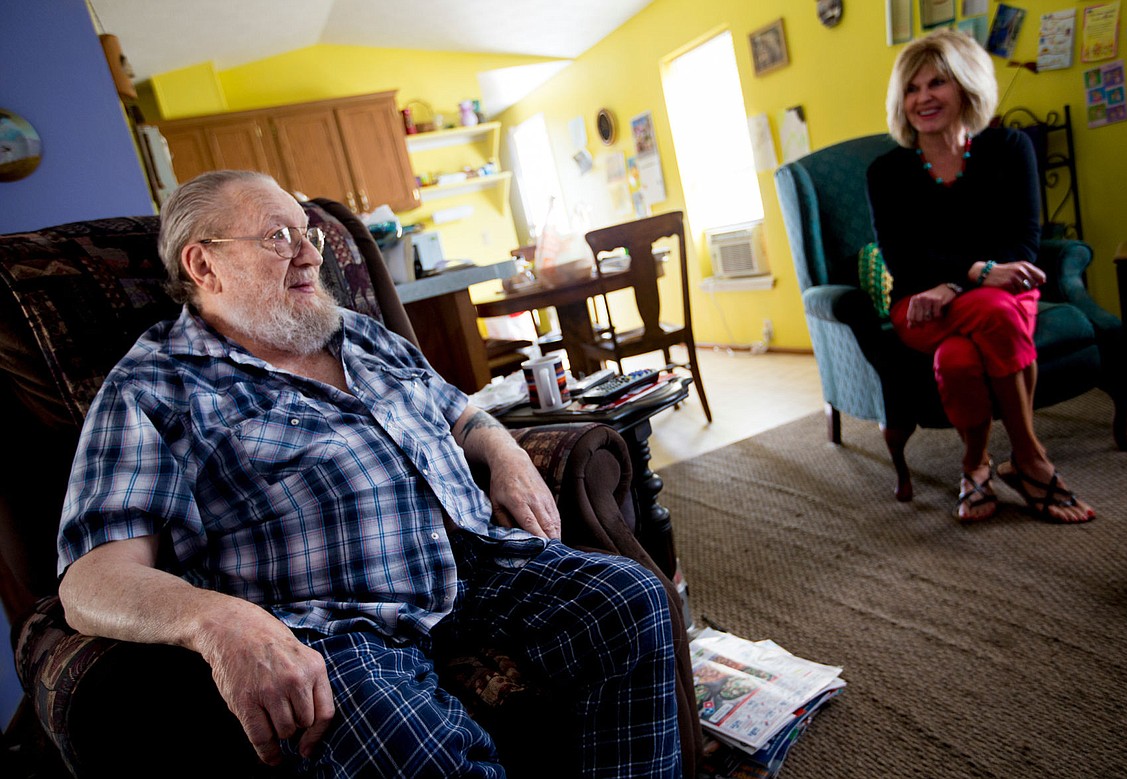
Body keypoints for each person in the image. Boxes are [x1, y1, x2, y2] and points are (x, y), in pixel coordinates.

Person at [55, 169, 682, 778]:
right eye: (279, 237)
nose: (308, 255)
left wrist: (505, 454)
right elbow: (93, 578)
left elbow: (461, 412)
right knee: (409, 748)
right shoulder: (153, 386)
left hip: (477, 558)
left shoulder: (358, 335)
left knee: (630, 600)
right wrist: (218, 623)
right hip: (333, 617)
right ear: (203, 264)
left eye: (310, 235)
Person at [866, 29, 1095, 524]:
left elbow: (1025, 243)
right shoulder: (887, 172)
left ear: (966, 87)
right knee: (989, 310)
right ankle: (1031, 460)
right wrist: (976, 271)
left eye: (937, 83)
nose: (923, 97)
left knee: (961, 355)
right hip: (920, 305)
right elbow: (904, 258)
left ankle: (976, 466)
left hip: (1000, 293)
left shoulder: (1009, 148)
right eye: (911, 88)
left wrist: (955, 283)